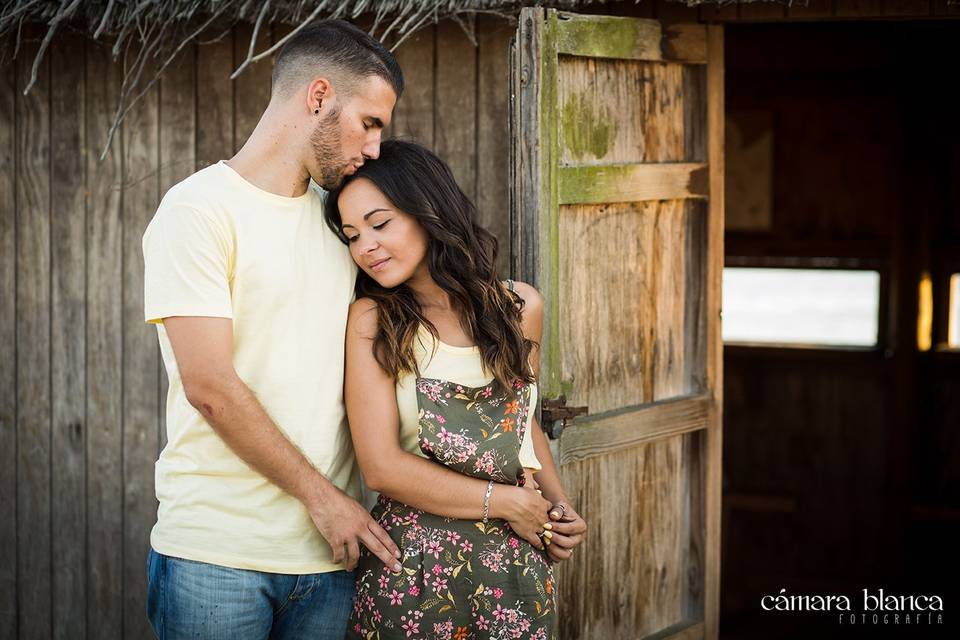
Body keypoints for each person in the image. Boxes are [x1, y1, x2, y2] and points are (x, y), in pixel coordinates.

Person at [141, 20, 406, 639]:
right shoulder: (198, 210)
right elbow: (209, 385)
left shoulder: (345, 223)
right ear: (318, 97)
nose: (374, 149)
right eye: (369, 122)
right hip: (217, 557)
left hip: (329, 557)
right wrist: (325, 500)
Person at [324, 140, 587, 639]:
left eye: (380, 224)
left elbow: (521, 418)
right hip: (415, 573)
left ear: (429, 211)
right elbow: (381, 466)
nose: (366, 247)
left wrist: (558, 507)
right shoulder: (375, 321)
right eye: (353, 236)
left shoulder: (519, 307)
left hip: (515, 572)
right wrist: (509, 503)